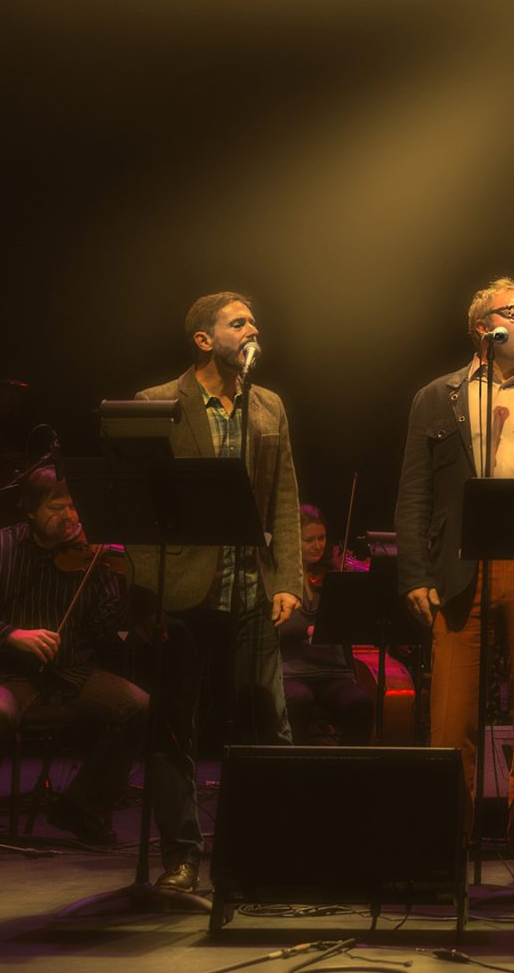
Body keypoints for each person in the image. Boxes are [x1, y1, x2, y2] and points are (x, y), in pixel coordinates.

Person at [394, 277, 514, 888]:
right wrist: (414, 572)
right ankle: (447, 849)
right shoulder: (439, 396)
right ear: (485, 327)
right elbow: (415, 490)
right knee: (452, 719)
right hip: (460, 568)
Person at [130, 291, 303, 892]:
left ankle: (269, 851)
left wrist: (288, 580)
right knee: (173, 727)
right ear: (204, 340)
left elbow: (284, 496)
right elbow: (138, 509)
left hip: (250, 588)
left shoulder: (268, 404)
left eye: (253, 320)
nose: (252, 328)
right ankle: (181, 856)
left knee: (269, 723)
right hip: (181, 591)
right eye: (237, 322)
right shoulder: (157, 403)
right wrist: (145, 596)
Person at [0, 469, 149, 844]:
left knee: (140, 708)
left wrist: (119, 591)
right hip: (4, 673)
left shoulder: (94, 557)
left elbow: (109, 635)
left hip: (72, 671)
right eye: (57, 508)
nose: (69, 517)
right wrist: (11, 635)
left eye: (74, 507)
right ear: (30, 510)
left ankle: (80, 808)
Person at [279, 505, 375, 745]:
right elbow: (276, 627)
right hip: (293, 672)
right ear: (294, 541)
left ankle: (348, 765)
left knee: (360, 702)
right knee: (298, 700)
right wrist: (306, 630)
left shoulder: (334, 573)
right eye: (309, 540)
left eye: (321, 538)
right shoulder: (282, 579)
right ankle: (297, 763)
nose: (317, 545)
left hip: (332, 672)